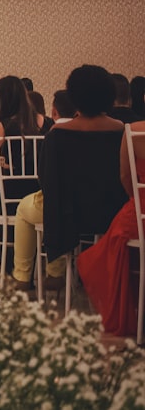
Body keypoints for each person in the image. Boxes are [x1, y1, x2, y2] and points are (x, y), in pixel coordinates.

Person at [11, 65, 126, 293]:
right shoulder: (122, 130)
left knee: (25, 209)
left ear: (74, 96)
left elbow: (47, 179)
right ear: (109, 96)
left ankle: (27, 277)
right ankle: (56, 272)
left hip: (68, 215)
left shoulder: (58, 135)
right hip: (111, 213)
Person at [77, 118, 145, 337]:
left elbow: (126, 176)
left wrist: (136, 200)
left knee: (108, 248)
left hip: (141, 211)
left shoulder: (133, 131)